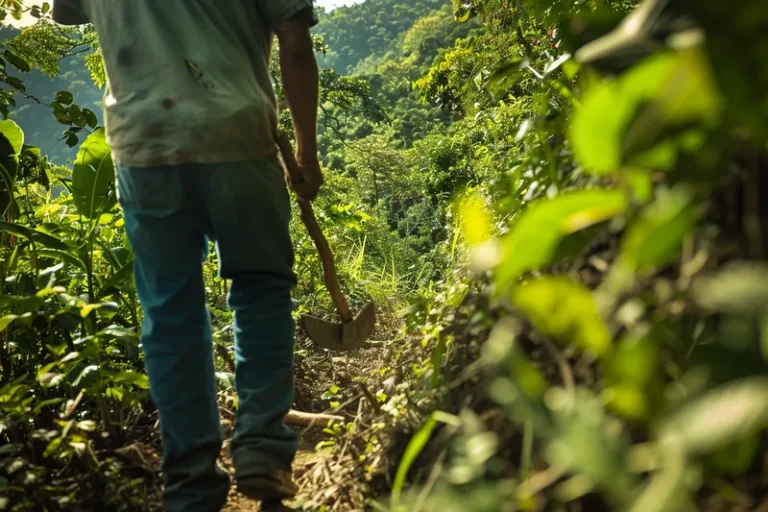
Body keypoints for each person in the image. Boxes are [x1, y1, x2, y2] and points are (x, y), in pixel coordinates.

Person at [52, 1, 324, 511]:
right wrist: (306, 153)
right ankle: (262, 449)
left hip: (144, 142)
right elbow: (293, 37)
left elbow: (72, 14)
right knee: (261, 288)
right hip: (240, 136)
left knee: (170, 311)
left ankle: (191, 480)